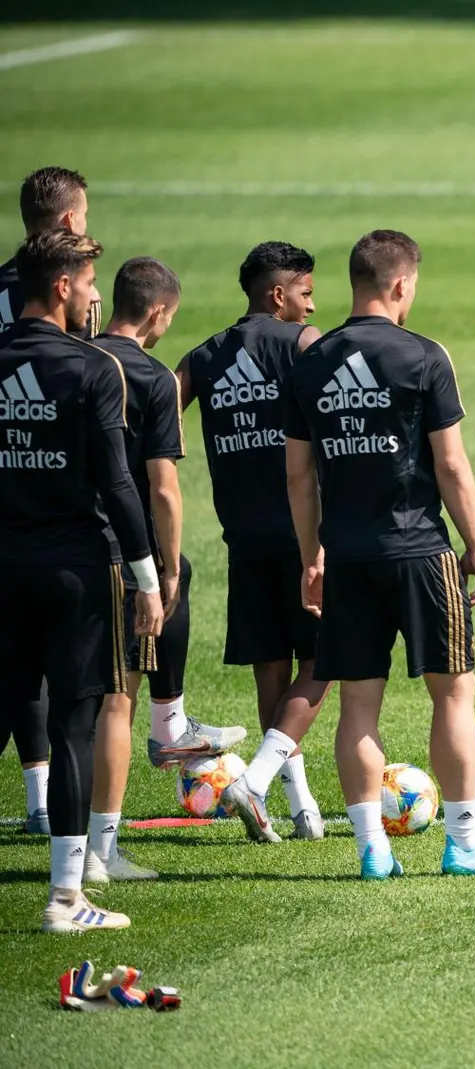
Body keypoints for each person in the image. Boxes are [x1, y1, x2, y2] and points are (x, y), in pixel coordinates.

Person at [279, 229, 475, 879]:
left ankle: (371, 851)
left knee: (358, 702)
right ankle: (464, 843)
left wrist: (312, 556)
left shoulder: (310, 361)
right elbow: (452, 464)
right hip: (418, 548)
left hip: (347, 556)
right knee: (454, 694)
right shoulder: (423, 356)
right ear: (400, 285)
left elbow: (298, 476)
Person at [0, 229, 162, 932]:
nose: (98, 296)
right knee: (73, 723)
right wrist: (148, 577)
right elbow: (120, 486)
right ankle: (66, 898)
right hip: (74, 572)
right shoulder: (94, 370)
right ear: (61, 286)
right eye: (90, 284)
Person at [177, 242, 328, 841]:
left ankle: (299, 808)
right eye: (306, 292)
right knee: (325, 659)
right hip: (302, 535)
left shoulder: (203, 355)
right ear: (278, 294)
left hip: (242, 538)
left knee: (272, 670)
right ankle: (260, 785)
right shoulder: (302, 344)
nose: (312, 303)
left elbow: (155, 404)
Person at [82, 257, 189, 885]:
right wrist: (168, 570)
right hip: (121, 556)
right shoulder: (151, 378)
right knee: (117, 702)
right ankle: (101, 854)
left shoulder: (74, 359)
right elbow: (163, 488)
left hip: (52, 546)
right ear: (156, 312)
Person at [0, 167, 91, 833]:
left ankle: (37, 795)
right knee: (72, 687)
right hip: (60, 514)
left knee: (14, 659)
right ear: (66, 223)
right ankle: (71, 866)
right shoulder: (67, 320)